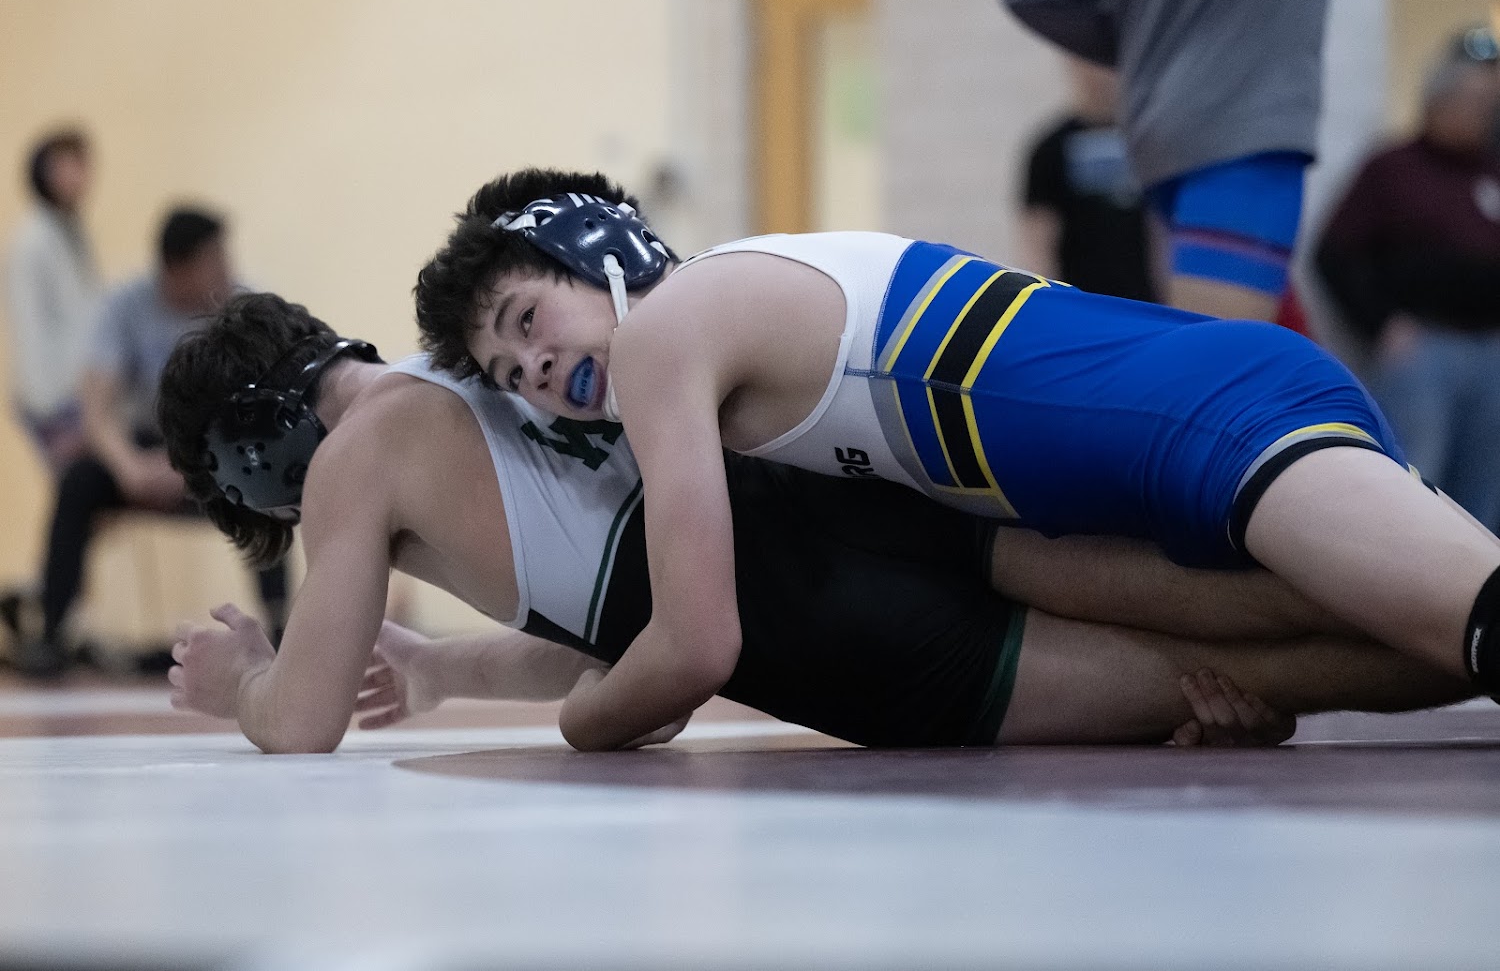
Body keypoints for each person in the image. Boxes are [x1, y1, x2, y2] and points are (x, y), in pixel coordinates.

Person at [413, 167, 1500, 751]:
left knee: (1477, 621)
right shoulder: (725, 341)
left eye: (526, 318)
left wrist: (582, 720)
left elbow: (697, 642)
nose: (533, 367)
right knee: (1438, 652)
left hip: (1210, 419)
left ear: (596, 248)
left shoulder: (667, 336)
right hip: (1195, 428)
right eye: (507, 372)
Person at [160, 294, 1469, 754]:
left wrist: (242, 685)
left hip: (840, 635)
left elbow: (306, 719)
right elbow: (620, 604)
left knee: (1232, 679)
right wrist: (446, 670)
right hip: (851, 500)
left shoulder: (357, 456)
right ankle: (1467, 588)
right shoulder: (458, 384)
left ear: (253, 451)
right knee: (1221, 588)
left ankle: (1467, 644)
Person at [5, 208, 288, 676]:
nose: (227, 269)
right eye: (215, 259)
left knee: (270, 486)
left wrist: (192, 467)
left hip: (222, 452)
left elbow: (265, 413)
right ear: (177, 266)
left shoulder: (247, 309)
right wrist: (128, 466)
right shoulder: (125, 305)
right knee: (78, 482)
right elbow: (96, 403)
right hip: (145, 448)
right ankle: (53, 631)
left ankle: (282, 628)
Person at [1002, 0, 1327, 322]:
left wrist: (1153, 53)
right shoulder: (1052, 148)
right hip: (1236, 126)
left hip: (1169, 135)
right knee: (1219, 350)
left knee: (1206, 339)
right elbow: (1038, 243)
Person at [1316, 31, 1500, 532]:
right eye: (1473, 99)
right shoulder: (1393, 168)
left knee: (1486, 492)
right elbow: (1333, 255)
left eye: (1490, 103)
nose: (1482, 113)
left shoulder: (1491, 171)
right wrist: (1381, 323)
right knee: (1415, 483)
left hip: (1491, 349)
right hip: (1425, 348)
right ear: (1439, 98)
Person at [1017, 56, 1155, 301]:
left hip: (1144, 302)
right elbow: (1039, 238)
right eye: (1090, 63)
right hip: (1081, 300)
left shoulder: (1149, 141)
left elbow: (1165, 231)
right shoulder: (1050, 148)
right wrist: (1045, 301)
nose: (1100, 75)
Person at [4, 128, 101, 474]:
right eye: (67, 165)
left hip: (78, 394)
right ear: (44, 172)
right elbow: (29, 329)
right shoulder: (33, 241)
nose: (80, 174)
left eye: (82, 164)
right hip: (55, 402)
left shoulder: (69, 231)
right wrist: (50, 410)